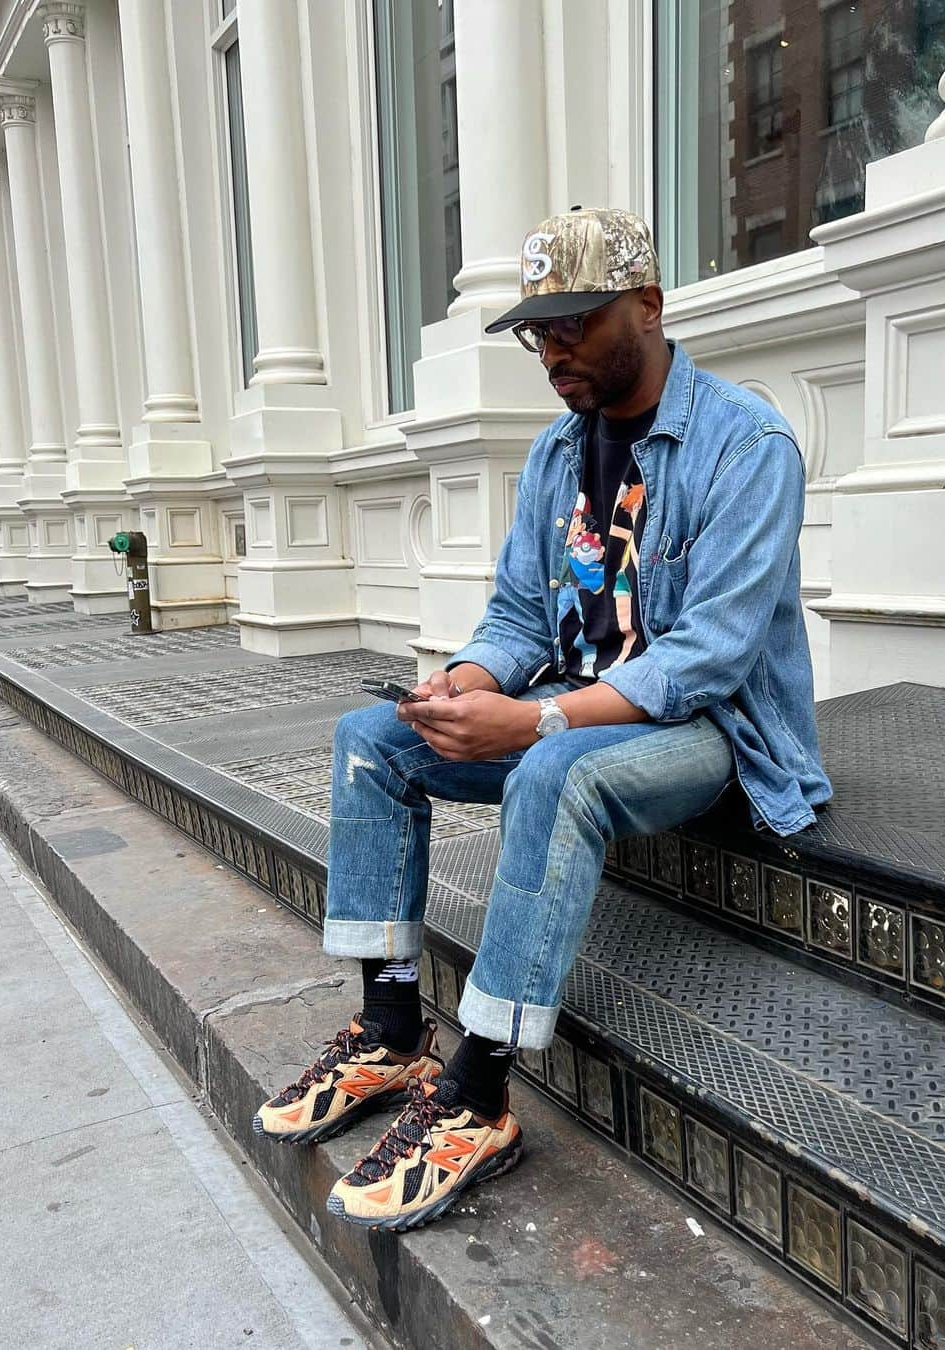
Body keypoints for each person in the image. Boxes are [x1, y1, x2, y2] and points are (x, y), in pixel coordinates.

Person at [253, 207, 832, 1232]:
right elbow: (521, 613)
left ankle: (476, 1098)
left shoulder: (749, 445)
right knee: (373, 743)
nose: (554, 350)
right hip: (577, 710)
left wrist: (532, 725)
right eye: (538, 331)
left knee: (553, 775)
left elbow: (709, 658)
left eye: (576, 321)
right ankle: (390, 1030)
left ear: (648, 306)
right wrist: (469, 684)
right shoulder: (557, 459)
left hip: (717, 738)